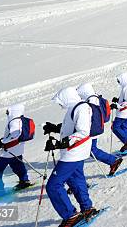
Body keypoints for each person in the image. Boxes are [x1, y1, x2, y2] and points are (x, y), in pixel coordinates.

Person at [44, 87, 98, 227]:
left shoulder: (81, 108)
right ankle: (87, 208)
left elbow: (83, 131)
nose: (60, 104)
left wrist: (60, 143)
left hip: (73, 153)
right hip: (75, 152)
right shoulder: (74, 108)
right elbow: (70, 127)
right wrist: (54, 128)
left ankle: (71, 215)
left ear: (67, 98)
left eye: (61, 101)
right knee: (75, 180)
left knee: (53, 185)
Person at [0, 104, 33, 202]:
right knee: (17, 165)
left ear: (13, 111)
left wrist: (3, 142)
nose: (7, 113)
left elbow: (15, 134)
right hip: (18, 150)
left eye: (8, 111)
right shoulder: (21, 120)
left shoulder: (14, 121)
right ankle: (24, 180)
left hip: (8, 152)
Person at [76, 83, 123, 176]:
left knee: (91, 150)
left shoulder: (91, 99)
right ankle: (113, 160)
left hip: (92, 129)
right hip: (94, 128)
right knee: (90, 150)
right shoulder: (94, 97)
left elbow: (93, 115)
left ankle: (113, 161)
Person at [112, 73, 127, 153]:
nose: (118, 82)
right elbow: (126, 98)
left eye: (119, 80)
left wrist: (117, 106)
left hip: (124, 112)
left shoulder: (126, 87)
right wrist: (118, 99)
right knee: (124, 127)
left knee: (115, 127)